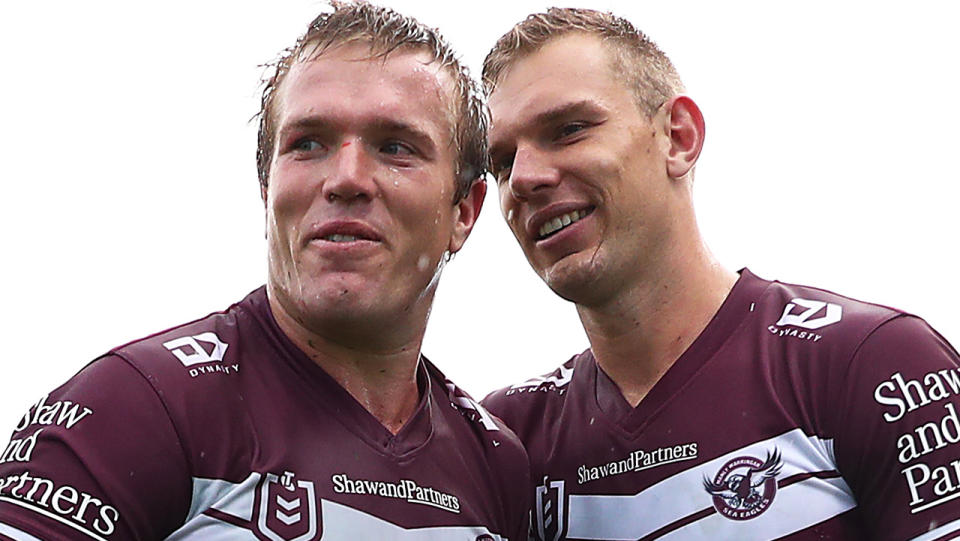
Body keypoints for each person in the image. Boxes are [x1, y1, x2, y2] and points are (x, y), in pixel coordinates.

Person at [0, 3, 529, 540]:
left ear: (464, 211)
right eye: (308, 144)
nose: (346, 178)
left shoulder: (497, 462)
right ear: (266, 189)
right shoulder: (138, 403)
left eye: (395, 147)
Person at [480, 7, 960, 541]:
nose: (524, 178)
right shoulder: (504, 441)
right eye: (501, 162)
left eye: (568, 130)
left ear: (678, 138)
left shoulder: (872, 363)